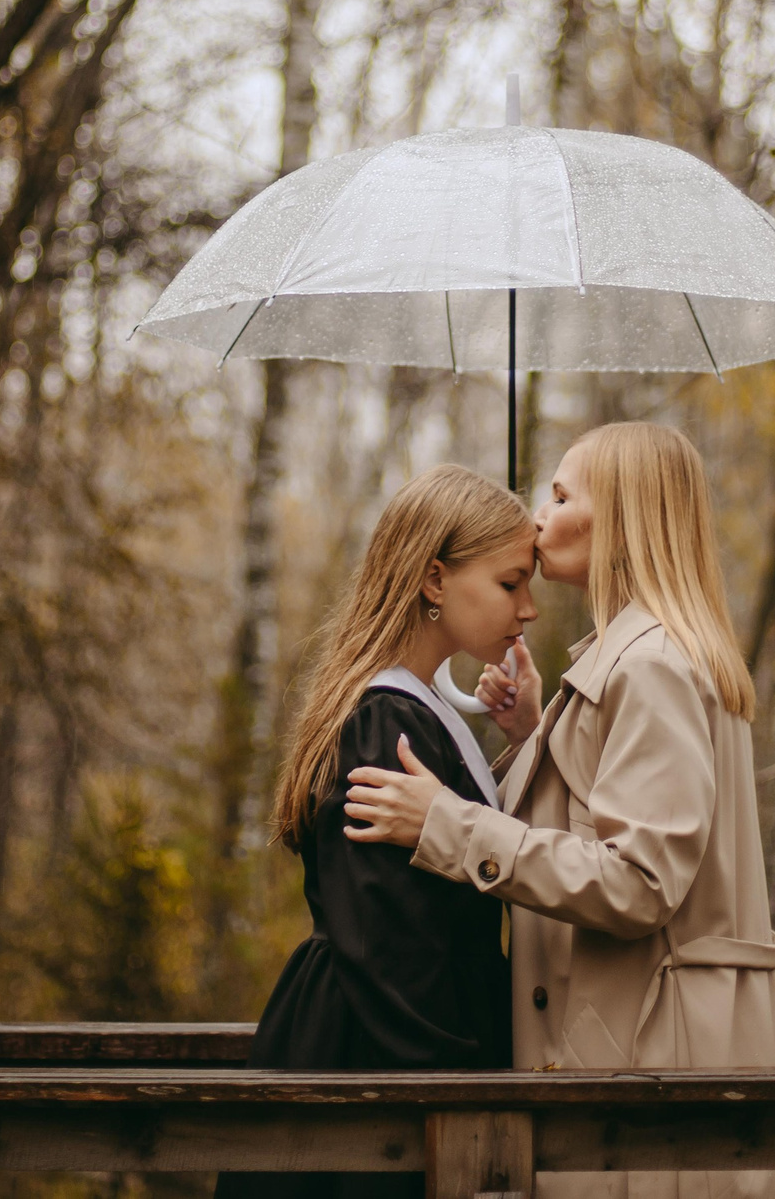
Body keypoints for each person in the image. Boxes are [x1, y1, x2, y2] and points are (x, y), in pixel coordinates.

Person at [345, 423, 775, 1199]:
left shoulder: (650, 665)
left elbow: (639, 882)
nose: (537, 516)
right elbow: (601, 819)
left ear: (620, 517)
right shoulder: (633, 656)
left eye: (559, 495)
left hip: (656, 1055)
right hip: (648, 1045)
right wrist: (530, 735)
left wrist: (446, 826)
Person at [217, 463, 537, 1199]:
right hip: (375, 1060)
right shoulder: (387, 720)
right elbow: (386, 943)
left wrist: (524, 730)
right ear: (434, 578)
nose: (529, 608)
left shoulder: (420, 707)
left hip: (387, 1046)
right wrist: (463, 1083)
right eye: (510, 582)